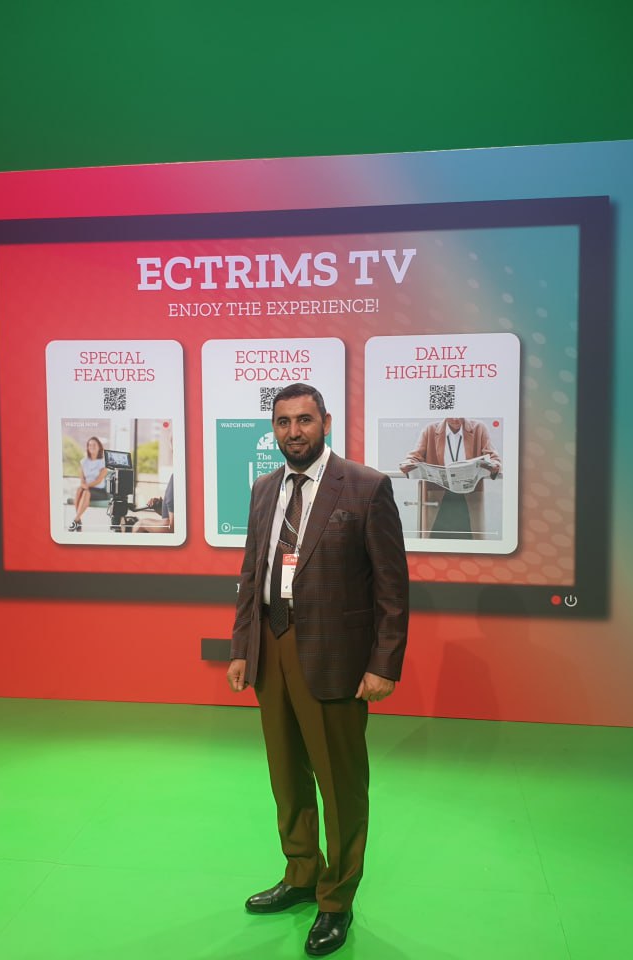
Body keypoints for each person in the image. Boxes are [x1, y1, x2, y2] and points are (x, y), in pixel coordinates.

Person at [228, 382, 408, 958]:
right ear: (273, 429)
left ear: (325, 422)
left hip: (336, 657)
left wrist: (383, 663)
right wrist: (242, 647)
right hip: (272, 647)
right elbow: (251, 573)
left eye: (304, 420)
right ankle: (301, 873)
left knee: (340, 783)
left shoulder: (366, 487)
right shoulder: (264, 489)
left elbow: (392, 588)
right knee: (286, 775)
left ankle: (337, 898)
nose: (294, 432)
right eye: (283, 422)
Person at [399, 417, 500, 538]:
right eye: (451, 416)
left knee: (470, 539)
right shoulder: (430, 430)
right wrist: (408, 463)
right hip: (438, 497)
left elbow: (493, 458)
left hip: (469, 497)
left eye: (459, 415)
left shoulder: (479, 428)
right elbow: (414, 457)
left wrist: (494, 465)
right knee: (435, 540)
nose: (455, 419)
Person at [68, 436, 108, 532]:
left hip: (99, 490)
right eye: (90, 445)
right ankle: (78, 520)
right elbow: (82, 478)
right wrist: (83, 485)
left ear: (99, 447)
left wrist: (86, 486)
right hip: (86, 488)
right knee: (79, 489)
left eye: (94, 445)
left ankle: (76, 520)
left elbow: (99, 480)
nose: (91, 447)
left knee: (85, 492)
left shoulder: (103, 462)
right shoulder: (84, 461)